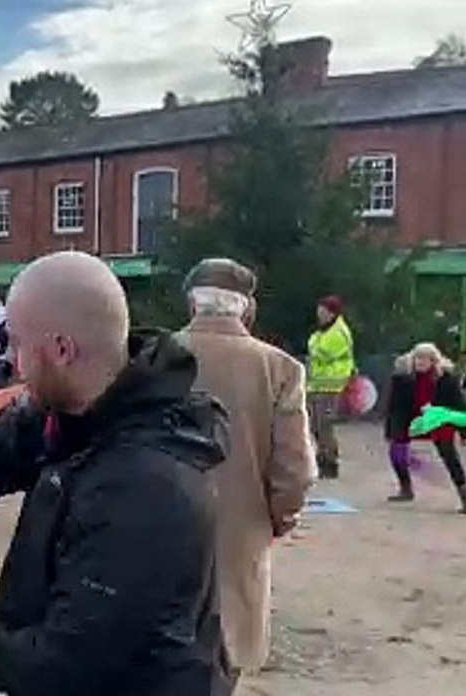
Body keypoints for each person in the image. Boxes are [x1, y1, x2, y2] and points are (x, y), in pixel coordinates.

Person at [0, 251, 233, 696]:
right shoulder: (79, 414)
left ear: (62, 350)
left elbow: (71, 664)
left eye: (16, 343)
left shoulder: (147, 487)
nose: (11, 360)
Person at [175, 258, 317, 678]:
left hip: (158, 530)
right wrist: (279, 518)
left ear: (192, 304)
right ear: (247, 309)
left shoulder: (153, 357)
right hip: (241, 534)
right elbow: (295, 469)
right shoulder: (280, 368)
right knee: (226, 655)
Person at [382, 342, 466, 513]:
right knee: (396, 451)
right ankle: (405, 488)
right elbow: (393, 406)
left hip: (438, 417)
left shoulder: (447, 379)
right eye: (417, 358)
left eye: (424, 359)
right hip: (410, 417)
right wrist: (391, 430)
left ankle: (464, 494)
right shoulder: (402, 378)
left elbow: (459, 406)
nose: (420, 362)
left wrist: (464, 433)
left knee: (448, 451)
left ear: (433, 361)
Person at [307, 295, 354, 479]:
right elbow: (314, 346)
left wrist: (314, 346)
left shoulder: (338, 332)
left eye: (323, 311)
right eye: (319, 311)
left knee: (324, 424)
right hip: (318, 384)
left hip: (331, 385)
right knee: (315, 424)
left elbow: (321, 352)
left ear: (332, 313)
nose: (319, 314)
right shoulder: (325, 331)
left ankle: (329, 462)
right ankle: (323, 457)